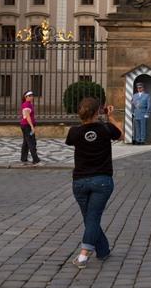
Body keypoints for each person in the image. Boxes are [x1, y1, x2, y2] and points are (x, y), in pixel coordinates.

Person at [65, 97, 123, 269]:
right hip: (102, 181)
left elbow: (71, 141)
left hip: (80, 182)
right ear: (99, 111)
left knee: (90, 218)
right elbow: (122, 134)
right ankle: (84, 255)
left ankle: (103, 250)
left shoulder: (74, 132)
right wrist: (111, 117)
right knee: (93, 218)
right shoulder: (106, 129)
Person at [19, 90, 40, 165]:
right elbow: (27, 116)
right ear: (26, 97)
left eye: (32, 95)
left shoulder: (28, 104)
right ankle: (35, 159)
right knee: (32, 142)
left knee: (26, 142)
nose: (32, 97)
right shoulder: (26, 105)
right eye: (30, 96)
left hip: (25, 125)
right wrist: (32, 126)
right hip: (27, 126)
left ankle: (23, 158)